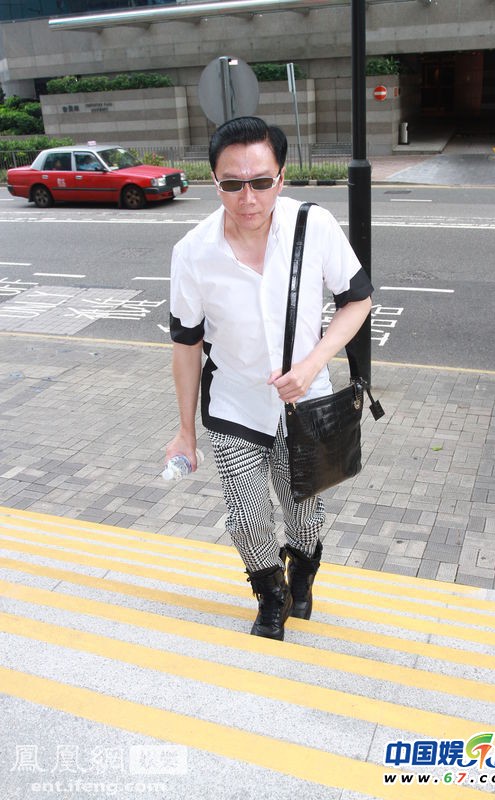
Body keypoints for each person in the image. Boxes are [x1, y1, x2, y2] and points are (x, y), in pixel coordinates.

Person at [167, 116, 372, 641]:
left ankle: (302, 571)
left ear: (281, 178)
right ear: (214, 182)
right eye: (232, 184)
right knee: (247, 516)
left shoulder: (313, 226)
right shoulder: (192, 252)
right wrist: (185, 431)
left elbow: (357, 301)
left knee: (304, 515)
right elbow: (186, 345)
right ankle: (271, 593)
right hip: (233, 404)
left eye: (261, 181)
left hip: (305, 404)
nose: (248, 197)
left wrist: (312, 364)